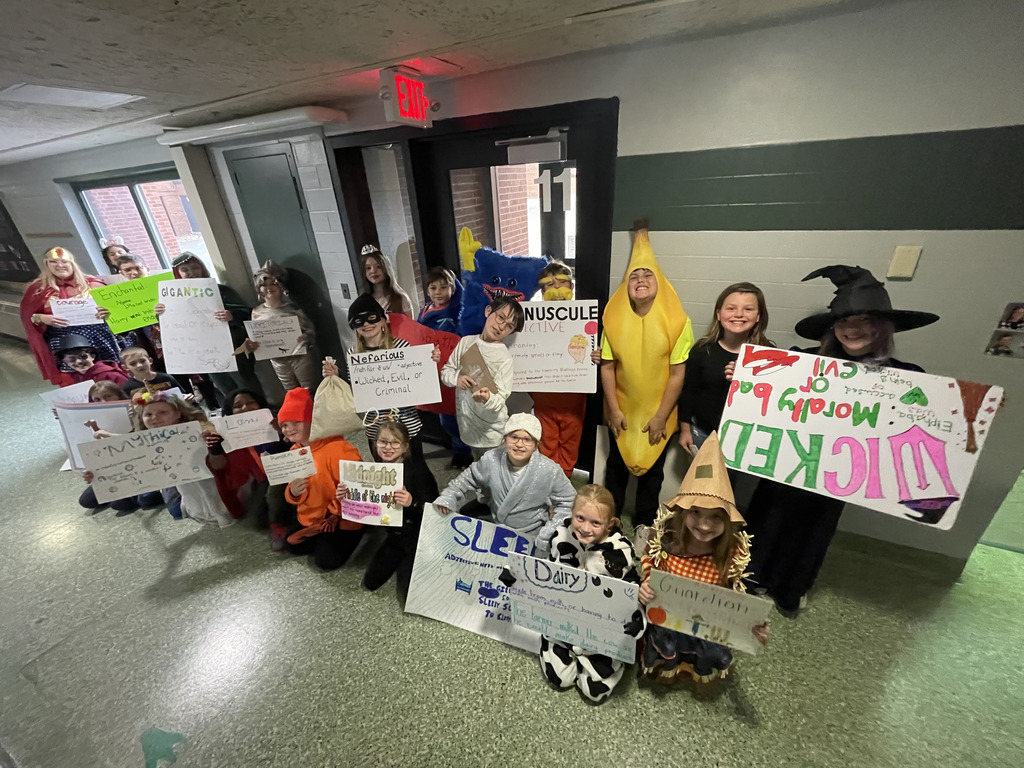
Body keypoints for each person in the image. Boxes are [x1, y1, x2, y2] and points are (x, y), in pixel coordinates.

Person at [744, 265, 938, 617]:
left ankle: (791, 587)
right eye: (843, 321)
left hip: (838, 474)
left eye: (863, 319)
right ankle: (751, 577)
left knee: (815, 529)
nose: (852, 329)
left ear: (881, 326)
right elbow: (762, 393)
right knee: (769, 517)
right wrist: (742, 376)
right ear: (833, 328)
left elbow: (937, 411)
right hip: (785, 464)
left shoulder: (904, 378)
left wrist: (976, 408)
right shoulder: (801, 361)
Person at [637, 432, 769, 685]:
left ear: (728, 521)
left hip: (706, 627)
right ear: (683, 512)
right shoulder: (667, 538)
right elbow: (650, 563)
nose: (704, 525)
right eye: (695, 512)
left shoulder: (731, 552)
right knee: (665, 643)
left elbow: (736, 598)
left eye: (716, 517)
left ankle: (697, 669)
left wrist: (751, 625)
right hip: (668, 619)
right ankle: (668, 666)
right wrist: (646, 586)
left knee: (705, 651)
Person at [601, 228, 694, 527]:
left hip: (660, 413)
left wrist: (661, 415)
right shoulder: (612, 320)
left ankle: (644, 522)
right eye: (634, 276)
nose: (640, 280)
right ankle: (609, 516)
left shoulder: (679, 322)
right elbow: (606, 366)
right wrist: (614, 409)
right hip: (621, 409)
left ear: (660, 283)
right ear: (626, 286)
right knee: (615, 466)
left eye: (647, 274)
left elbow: (678, 373)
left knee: (653, 473)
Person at [535, 485, 644, 703]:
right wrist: (518, 577)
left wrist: (636, 618)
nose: (585, 528)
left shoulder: (620, 553)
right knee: (558, 678)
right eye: (580, 518)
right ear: (571, 513)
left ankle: (602, 661)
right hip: (563, 621)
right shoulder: (560, 538)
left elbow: (633, 589)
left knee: (595, 691)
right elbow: (545, 570)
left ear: (610, 524)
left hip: (601, 630)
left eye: (596, 523)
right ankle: (559, 647)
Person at [677, 282, 773, 511]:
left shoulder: (770, 356)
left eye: (748, 309)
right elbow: (688, 392)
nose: (739, 314)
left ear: (759, 316)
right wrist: (684, 429)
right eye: (731, 308)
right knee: (701, 493)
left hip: (748, 438)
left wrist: (747, 379)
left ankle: (730, 543)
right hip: (705, 434)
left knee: (736, 499)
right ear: (719, 314)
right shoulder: (703, 351)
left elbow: (774, 403)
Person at [433, 414, 575, 557]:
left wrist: (549, 532)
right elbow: (465, 479)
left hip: (530, 536)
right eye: (514, 437)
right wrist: (448, 497)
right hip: (495, 528)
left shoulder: (549, 470)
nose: (519, 444)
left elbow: (570, 503)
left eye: (527, 439)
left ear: (536, 444)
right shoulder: (491, 459)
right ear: (505, 438)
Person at [337, 419, 439, 593]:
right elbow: (367, 505)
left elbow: (435, 512)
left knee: (412, 592)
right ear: (375, 443)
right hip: (395, 535)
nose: (388, 447)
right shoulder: (372, 473)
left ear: (405, 447)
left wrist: (411, 502)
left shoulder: (418, 472)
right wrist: (346, 497)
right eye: (383, 441)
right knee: (371, 582)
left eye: (395, 442)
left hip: (419, 534)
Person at [334, 294, 439, 461]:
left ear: (383, 320)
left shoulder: (402, 347)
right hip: (376, 427)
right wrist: (334, 376)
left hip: (406, 425)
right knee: (386, 474)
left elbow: (418, 381)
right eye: (359, 321)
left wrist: (430, 360)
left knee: (415, 471)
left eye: (372, 318)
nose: (367, 324)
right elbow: (356, 390)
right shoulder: (353, 354)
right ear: (354, 326)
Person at [153, 251, 262, 403]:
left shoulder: (221, 291)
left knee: (247, 385)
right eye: (185, 270)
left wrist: (232, 315)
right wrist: (160, 313)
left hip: (233, 348)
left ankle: (262, 411)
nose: (191, 273)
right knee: (224, 387)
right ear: (178, 273)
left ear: (202, 268)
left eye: (195, 268)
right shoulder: (173, 297)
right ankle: (236, 418)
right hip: (206, 350)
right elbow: (171, 325)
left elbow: (249, 313)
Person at [280, 387, 366, 571]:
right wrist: (293, 493)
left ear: (312, 421)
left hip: (342, 518)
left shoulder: (340, 449)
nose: (289, 428)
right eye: (284, 425)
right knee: (293, 547)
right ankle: (323, 537)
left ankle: (361, 531)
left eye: (296, 421)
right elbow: (291, 495)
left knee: (326, 562)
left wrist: (335, 515)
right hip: (313, 517)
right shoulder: (294, 452)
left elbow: (362, 489)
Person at [530, 260, 599, 477]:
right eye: (550, 285)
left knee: (570, 445)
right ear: (542, 291)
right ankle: (547, 486)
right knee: (546, 444)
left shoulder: (584, 317)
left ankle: (564, 483)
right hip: (543, 399)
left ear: (571, 287)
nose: (557, 290)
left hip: (574, 399)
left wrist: (597, 356)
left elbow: (593, 348)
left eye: (562, 283)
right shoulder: (531, 321)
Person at [20, 247, 125, 385]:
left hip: (99, 340)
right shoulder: (37, 290)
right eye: (53, 262)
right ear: (46, 264)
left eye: (64, 261)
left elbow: (119, 312)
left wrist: (107, 313)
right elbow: (28, 318)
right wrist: (41, 318)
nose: (59, 265)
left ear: (72, 263)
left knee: (109, 377)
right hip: (63, 345)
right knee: (75, 383)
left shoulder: (93, 284)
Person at [208, 388, 295, 550]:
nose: (245, 408)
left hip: (288, 469)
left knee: (274, 495)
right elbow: (219, 467)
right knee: (257, 520)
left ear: (260, 404)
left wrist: (283, 432)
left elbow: (301, 447)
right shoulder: (225, 436)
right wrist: (216, 449)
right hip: (260, 478)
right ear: (230, 412)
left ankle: (278, 526)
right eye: (238, 405)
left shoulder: (276, 421)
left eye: (251, 402)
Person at [134, 391, 236, 527]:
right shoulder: (144, 439)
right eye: (148, 414)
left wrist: (209, 442)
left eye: (162, 412)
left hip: (212, 478)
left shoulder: (199, 429)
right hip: (183, 482)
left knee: (209, 492)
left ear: (178, 414)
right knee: (186, 498)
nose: (155, 418)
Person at [440, 296, 522, 460]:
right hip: (467, 424)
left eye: (509, 326)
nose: (501, 326)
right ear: (488, 311)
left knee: (495, 470)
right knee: (478, 465)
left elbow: (501, 397)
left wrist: (487, 398)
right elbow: (446, 372)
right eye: (500, 317)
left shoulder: (504, 358)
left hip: (491, 429)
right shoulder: (465, 342)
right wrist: (457, 377)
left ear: (512, 332)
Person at [76, 382, 164, 516]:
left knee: (126, 503)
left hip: (140, 465)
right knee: (86, 501)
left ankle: (139, 492)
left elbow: (142, 445)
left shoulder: (136, 411)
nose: (103, 402)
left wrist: (134, 418)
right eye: (97, 400)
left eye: (108, 396)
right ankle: (126, 492)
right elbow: (91, 453)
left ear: (118, 395)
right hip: (115, 467)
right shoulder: (93, 419)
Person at [244, 261, 317, 390]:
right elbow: (257, 337)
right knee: (291, 392)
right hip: (277, 360)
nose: (269, 288)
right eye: (264, 285)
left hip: (299, 357)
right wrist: (254, 345)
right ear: (259, 288)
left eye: (273, 283)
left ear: (281, 286)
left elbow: (310, 331)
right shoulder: (256, 312)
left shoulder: (293, 309)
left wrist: (306, 337)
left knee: (309, 389)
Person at [359, 244, 413, 317]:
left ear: (386, 268)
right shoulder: (363, 301)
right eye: (368, 268)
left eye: (378, 267)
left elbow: (410, 326)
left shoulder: (400, 298)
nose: (373, 271)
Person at [56, 333, 130, 386]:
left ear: (92, 356)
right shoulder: (76, 377)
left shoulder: (111, 374)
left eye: (83, 356)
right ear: (66, 362)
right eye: (72, 359)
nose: (78, 361)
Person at [416, 266, 463, 334]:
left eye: (443, 287)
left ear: (452, 290)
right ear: (428, 292)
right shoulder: (427, 307)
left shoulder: (454, 315)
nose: (438, 292)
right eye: (433, 288)